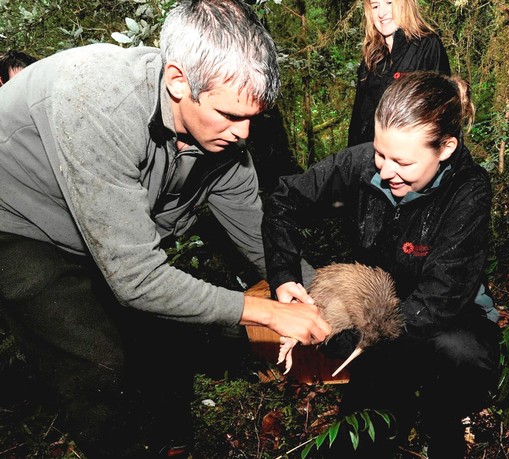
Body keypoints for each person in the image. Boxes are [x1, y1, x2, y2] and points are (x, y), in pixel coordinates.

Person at [0, 1, 330, 458]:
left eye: (254, 117)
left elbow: (258, 235)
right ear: (178, 82)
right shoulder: (99, 103)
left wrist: (320, 295)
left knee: (168, 337)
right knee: (98, 364)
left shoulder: (225, 149)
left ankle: (172, 445)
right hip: (20, 222)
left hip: (106, 229)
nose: (244, 134)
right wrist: (269, 313)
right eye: (231, 116)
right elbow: (137, 280)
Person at [262, 71, 500, 458]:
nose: (386, 171)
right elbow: (283, 200)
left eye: (402, 161)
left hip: (443, 322)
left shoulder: (468, 190)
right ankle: (396, 409)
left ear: (446, 148)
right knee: (359, 441)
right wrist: (285, 276)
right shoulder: (361, 165)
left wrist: (359, 340)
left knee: (461, 355)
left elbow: (439, 300)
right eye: (380, 153)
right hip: (378, 313)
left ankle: (444, 418)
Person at [347, 0, 451, 147]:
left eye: (389, 3)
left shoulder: (428, 46)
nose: (382, 13)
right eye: (375, 6)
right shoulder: (371, 57)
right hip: (370, 156)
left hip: (410, 157)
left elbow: (443, 111)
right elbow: (358, 118)